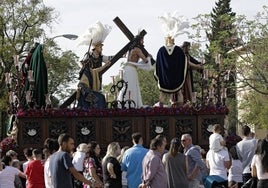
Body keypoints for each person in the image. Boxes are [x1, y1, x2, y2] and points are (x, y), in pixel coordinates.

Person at [154, 12, 189, 107]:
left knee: (162, 93)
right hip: (176, 79)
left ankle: (160, 110)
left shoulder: (161, 50)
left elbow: (158, 65)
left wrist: (161, 76)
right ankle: (181, 110)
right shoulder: (179, 50)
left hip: (164, 79)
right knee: (179, 93)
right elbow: (184, 63)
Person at [77, 21, 112, 109]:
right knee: (98, 99)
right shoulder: (89, 55)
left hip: (96, 80)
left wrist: (121, 56)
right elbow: (80, 62)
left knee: (98, 97)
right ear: (95, 47)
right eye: (100, 47)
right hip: (88, 81)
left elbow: (108, 59)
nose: (101, 48)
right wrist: (86, 69)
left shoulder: (100, 57)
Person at [117, 35, 152, 108]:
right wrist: (149, 57)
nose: (143, 42)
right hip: (132, 69)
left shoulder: (131, 50)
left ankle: (125, 102)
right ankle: (132, 104)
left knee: (126, 86)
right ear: (139, 41)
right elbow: (145, 61)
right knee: (132, 86)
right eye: (142, 40)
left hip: (127, 68)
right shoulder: (137, 50)